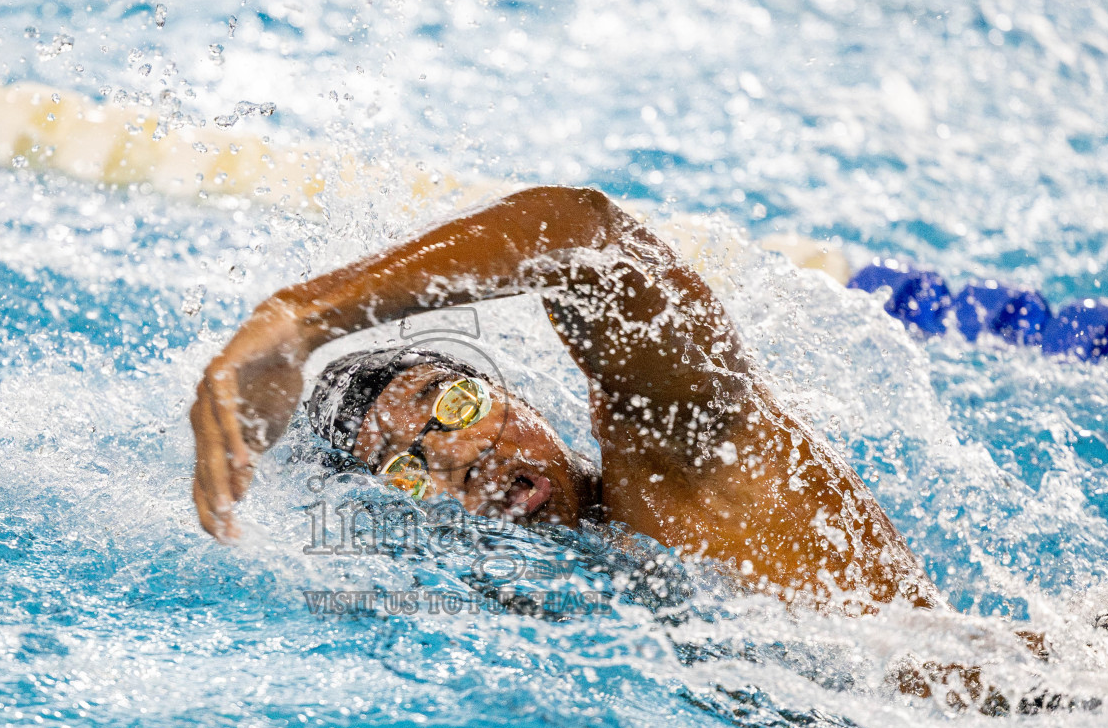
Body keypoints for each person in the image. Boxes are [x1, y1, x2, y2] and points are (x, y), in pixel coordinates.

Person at [191, 185, 935, 612]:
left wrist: (304, 319)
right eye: (407, 469)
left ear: (516, 396)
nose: (457, 458)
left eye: (453, 407)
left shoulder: (681, 455)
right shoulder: (538, 598)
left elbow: (587, 236)